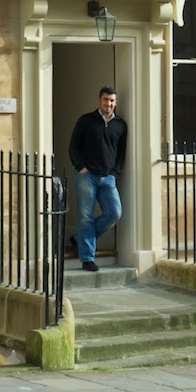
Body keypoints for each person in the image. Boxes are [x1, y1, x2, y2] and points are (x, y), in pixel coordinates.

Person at [69, 86, 127, 271]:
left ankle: (79, 239)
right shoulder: (86, 121)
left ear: (115, 102)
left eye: (111, 100)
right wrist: (80, 167)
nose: (108, 104)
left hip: (108, 178)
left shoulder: (120, 125)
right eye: (105, 100)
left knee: (114, 213)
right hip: (87, 176)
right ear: (99, 100)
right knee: (85, 217)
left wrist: (114, 173)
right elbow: (74, 146)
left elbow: (121, 153)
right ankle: (87, 258)